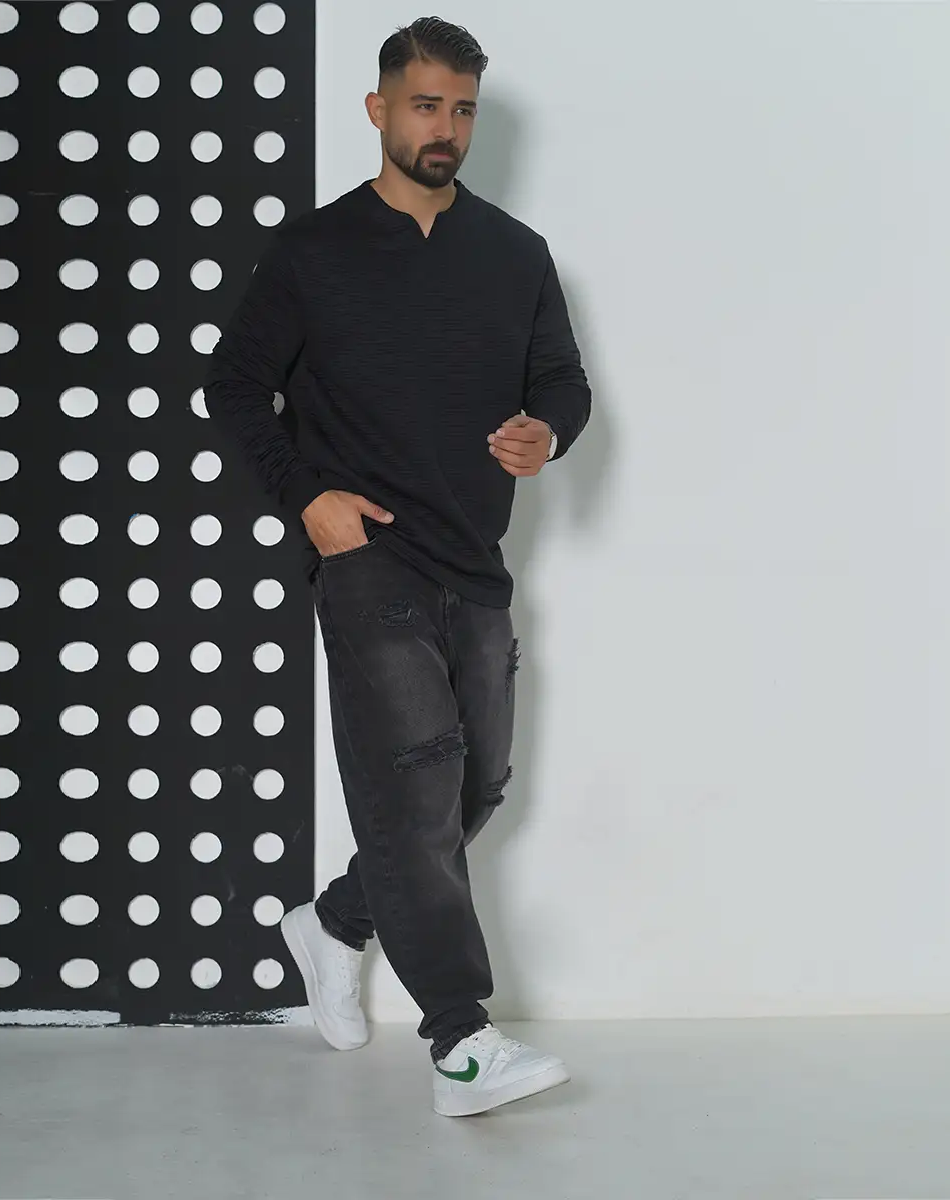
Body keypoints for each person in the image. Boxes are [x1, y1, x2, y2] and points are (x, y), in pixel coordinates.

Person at [203, 15, 591, 1117]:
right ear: (378, 110)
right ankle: (461, 1041)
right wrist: (306, 498)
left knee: (477, 784)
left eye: (462, 109)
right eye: (426, 105)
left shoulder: (515, 253)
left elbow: (562, 380)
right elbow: (232, 385)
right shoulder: (313, 251)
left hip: (475, 556)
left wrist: (548, 430)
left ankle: (334, 923)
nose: (445, 128)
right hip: (367, 557)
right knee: (416, 783)